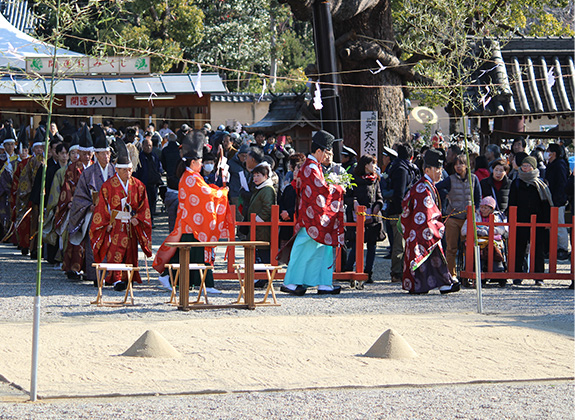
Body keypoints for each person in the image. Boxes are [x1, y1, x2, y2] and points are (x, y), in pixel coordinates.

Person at [153, 131, 232, 294]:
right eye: (201, 161)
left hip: (191, 222)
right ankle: (183, 279)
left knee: (186, 253)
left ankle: (172, 277)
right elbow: (206, 193)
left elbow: (206, 190)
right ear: (194, 161)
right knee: (191, 253)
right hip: (191, 223)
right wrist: (222, 193)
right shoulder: (190, 177)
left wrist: (218, 189)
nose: (203, 164)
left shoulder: (192, 176)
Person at [280, 130, 345, 296]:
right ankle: (292, 282)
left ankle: (324, 283)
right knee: (303, 248)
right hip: (311, 217)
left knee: (323, 249)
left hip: (316, 216)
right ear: (318, 151)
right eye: (326, 152)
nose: (327, 156)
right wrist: (338, 189)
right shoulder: (310, 167)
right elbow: (321, 189)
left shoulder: (314, 167)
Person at [90, 138, 152, 291]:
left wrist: (138, 218)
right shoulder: (108, 186)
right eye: (124, 170)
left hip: (131, 224)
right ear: (116, 170)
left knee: (130, 251)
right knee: (115, 250)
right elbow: (101, 208)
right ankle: (116, 278)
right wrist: (107, 223)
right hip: (115, 224)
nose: (128, 173)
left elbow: (144, 207)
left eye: (130, 170)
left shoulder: (138, 185)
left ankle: (126, 277)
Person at [401, 149, 460, 295]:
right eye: (437, 169)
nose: (441, 172)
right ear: (427, 169)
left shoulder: (426, 185)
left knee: (431, 258)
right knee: (432, 256)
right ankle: (438, 284)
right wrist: (436, 227)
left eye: (441, 168)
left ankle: (437, 284)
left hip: (424, 228)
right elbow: (425, 214)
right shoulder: (422, 188)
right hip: (424, 229)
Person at [69, 125, 115, 285]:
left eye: (108, 153)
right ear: (96, 154)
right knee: (94, 244)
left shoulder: (115, 171)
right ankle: (95, 276)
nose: (107, 156)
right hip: (93, 213)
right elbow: (79, 196)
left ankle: (110, 276)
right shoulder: (88, 174)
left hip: (111, 214)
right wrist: (89, 206)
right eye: (103, 153)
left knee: (112, 244)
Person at [508, 156, 553, 285]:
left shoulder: (541, 184)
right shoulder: (516, 183)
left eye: (528, 166)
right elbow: (512, 203)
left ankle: (539, 276)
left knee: (538, 248)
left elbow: (546, 204)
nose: (525, 168)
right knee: (519, 248)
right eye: (524, 165)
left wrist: (546, 222)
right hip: (520, 220)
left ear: (533, 167)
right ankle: (517, 275)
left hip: (538, 220)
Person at [436, 153, 481, 280]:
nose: (458, 166)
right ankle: (451, 274)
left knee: (469, 247)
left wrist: (475, 210)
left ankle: (468, 273)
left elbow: (478, 197)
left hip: (468, 218)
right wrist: (444, 196)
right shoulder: (450, 179)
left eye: (461, 163)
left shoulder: (474, 179)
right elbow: (437, 188)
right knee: (451, 248)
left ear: (467, 165)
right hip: (453, 217)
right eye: (456, 164)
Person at [344, 154, 385, 283]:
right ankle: (349, 270)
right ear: (366, 165)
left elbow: (379, 196)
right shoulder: (354, 179)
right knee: (357, 244)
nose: (375, 167)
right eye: (373, 164)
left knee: (372, 245)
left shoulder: (375, 180)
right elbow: (346, 197)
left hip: (373, 217)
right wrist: (354, 202)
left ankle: (368, 273)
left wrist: (378, 205)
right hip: (358, 216)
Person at [388, 143, 419, 283]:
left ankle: (401, 270)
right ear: (411, 156)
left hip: (398, 210)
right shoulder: (403, 169)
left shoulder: (396, 166)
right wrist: (403, 212)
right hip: (400, 211)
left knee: (401, 242)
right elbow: (399, 193)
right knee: (399, 244)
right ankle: (397, 272)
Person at [461, 196, 508, 278]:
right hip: (477, 240)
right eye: (481, 207)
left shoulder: (497, 217)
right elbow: (464, 230)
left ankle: (497, 269)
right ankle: (477, 268)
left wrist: (488, 231)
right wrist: (476, 231)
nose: (483, 210)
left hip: (492, 240)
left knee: (493, 248)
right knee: (477, 248)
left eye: (485, 208)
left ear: (491, 209)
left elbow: (502, 229)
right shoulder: (474, 216)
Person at [246, 164, 276, 266]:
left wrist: (257, 220)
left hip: (262, 228)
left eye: (258, 175)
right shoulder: (260, 189)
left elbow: (268, 208)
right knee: (258, 253)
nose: (255, 178)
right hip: (257, 227)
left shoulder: (267, 189)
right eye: (254, 176)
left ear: (266, 176)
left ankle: (263, 278)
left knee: (263, 255)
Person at [544, 143, 570, 260]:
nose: (546, 153)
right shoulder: (552, 164)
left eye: (548, 151)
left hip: (558, 200)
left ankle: (562, 248)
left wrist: (558, 200)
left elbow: (561, 184)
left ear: (553, 153)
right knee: (553, 225)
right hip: (551, 200)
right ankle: (554, 247)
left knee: (559, 225)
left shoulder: (559, 165)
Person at [133, 137, 163, 219]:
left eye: (150, 146)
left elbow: (159, 167)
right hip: (144, 184)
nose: (148, 147)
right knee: (145, 203)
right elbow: (136, 172)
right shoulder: (139, 157)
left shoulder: (154, 156)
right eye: (146, 146)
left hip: (153, 184)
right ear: (142, 146)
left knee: (153, 202)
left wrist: (159, 173)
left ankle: (151, 218)